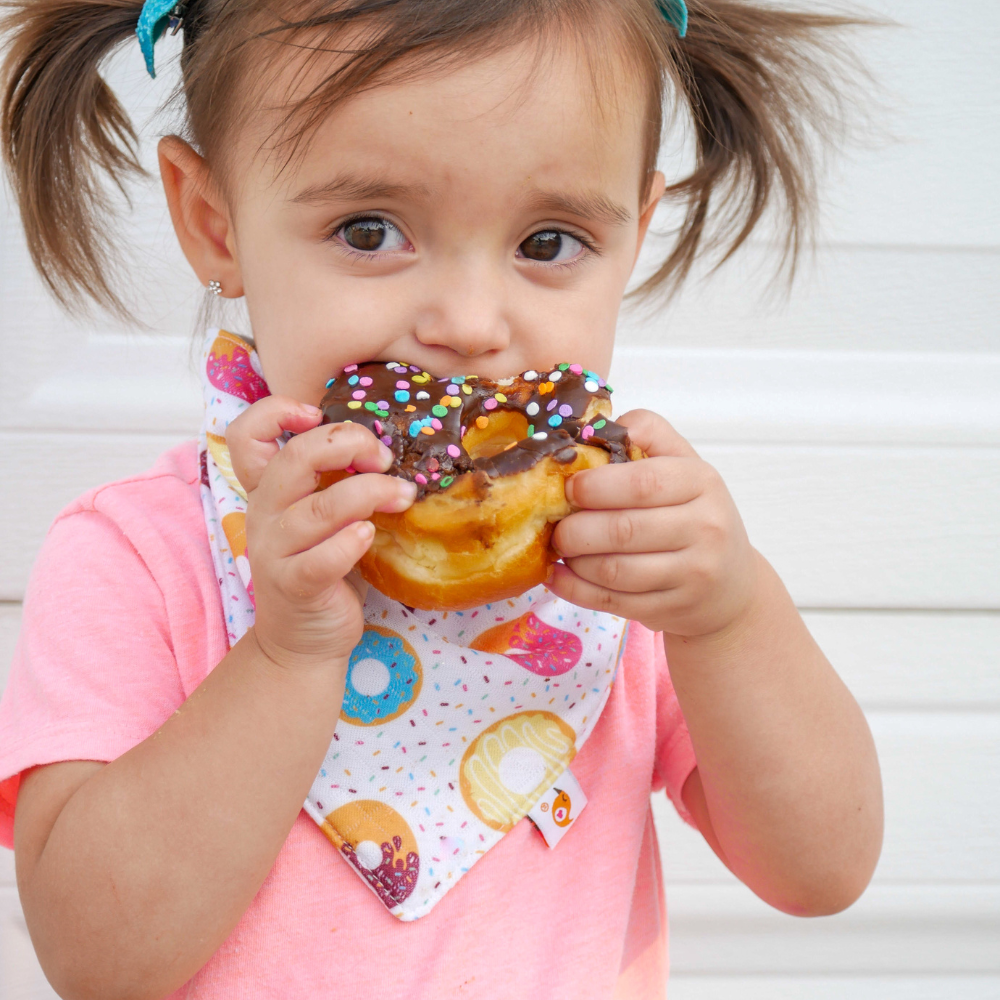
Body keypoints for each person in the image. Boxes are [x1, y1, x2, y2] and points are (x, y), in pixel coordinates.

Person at [0, 0, 883, 997]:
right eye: (369, 230)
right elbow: (93, 958)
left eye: (547, 243)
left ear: (631, 236)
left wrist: (729, 617)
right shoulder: (134, 558)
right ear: (216, 222)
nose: (468, 324)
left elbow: (823, 869)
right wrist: (290, 651)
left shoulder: (630, 568)